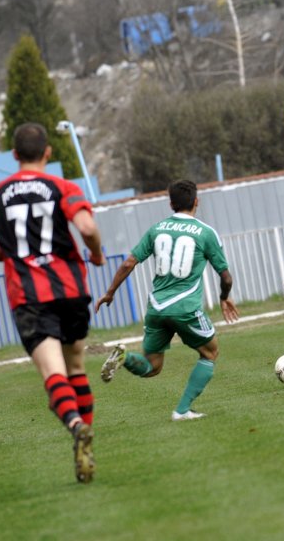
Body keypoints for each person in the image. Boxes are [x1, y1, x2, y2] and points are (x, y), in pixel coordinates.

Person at [0, 122, 105, 483]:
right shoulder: (63, 187)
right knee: (76, 369)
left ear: (14, 155)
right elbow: (88, 228)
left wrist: (15, 252)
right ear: (47, 152)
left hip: (29, 296)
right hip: (72, 289)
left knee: (53, 376)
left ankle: (75, 426)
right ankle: (85, 446)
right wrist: (96, 255)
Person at [95, 179, 239, 420]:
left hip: (156, 308)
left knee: (151, 367)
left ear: (171, 203)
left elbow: (129, 262)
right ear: (196, 201)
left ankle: (124, 357)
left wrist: (110, 292)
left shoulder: (156, 229)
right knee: (210, 353)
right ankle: (181, 411)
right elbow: (225, 277)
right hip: (185, 307)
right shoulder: (205, 232)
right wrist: (224, 298)